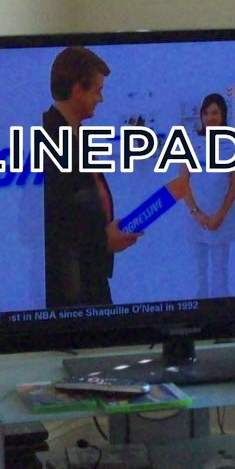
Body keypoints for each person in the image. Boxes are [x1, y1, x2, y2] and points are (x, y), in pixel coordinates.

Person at [42, 46, 140, 307]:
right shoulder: (48, 139)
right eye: (97, 90)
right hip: (71, 289)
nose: (101, 99)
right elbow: (48, 224)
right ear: (77, 90)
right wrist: (102, 240)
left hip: (89, 275)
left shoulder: (76, 134)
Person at [180, 92, 235, 298]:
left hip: (222, 217)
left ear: (223, 115)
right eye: (206, 113)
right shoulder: (191, 142)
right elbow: (183, 181)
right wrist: (196, 213)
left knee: (220, 273)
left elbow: (234, 185)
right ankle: (199, 312)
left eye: (215, 113)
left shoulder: (232, 144)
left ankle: (220, 312)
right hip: (195, 217)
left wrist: (219, 216)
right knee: (198, 274)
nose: (210, 117)